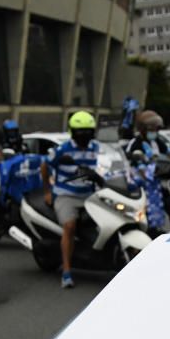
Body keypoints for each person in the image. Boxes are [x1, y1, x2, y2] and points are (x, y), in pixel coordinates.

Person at [40, 111, 100, 289]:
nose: (84, 136)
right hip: (67, 195)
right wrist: (47, 191)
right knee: (69, 226)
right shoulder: (63, 149)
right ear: (73, 132)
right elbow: (45, 166)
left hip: (90, 194)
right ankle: (66, 271)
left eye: (88, 131)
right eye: (80, 132)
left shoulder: (95, 148)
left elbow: (106, 166)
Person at [125, 110, 170, 230]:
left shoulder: (156, 141)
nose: (154, 132)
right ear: (143, 129)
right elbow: (130, 158)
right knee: (146, 210)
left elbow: (169, 153)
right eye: (151, 129)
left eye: (156, 129)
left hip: (157, 182)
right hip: (141, 184)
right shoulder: (136, 142)